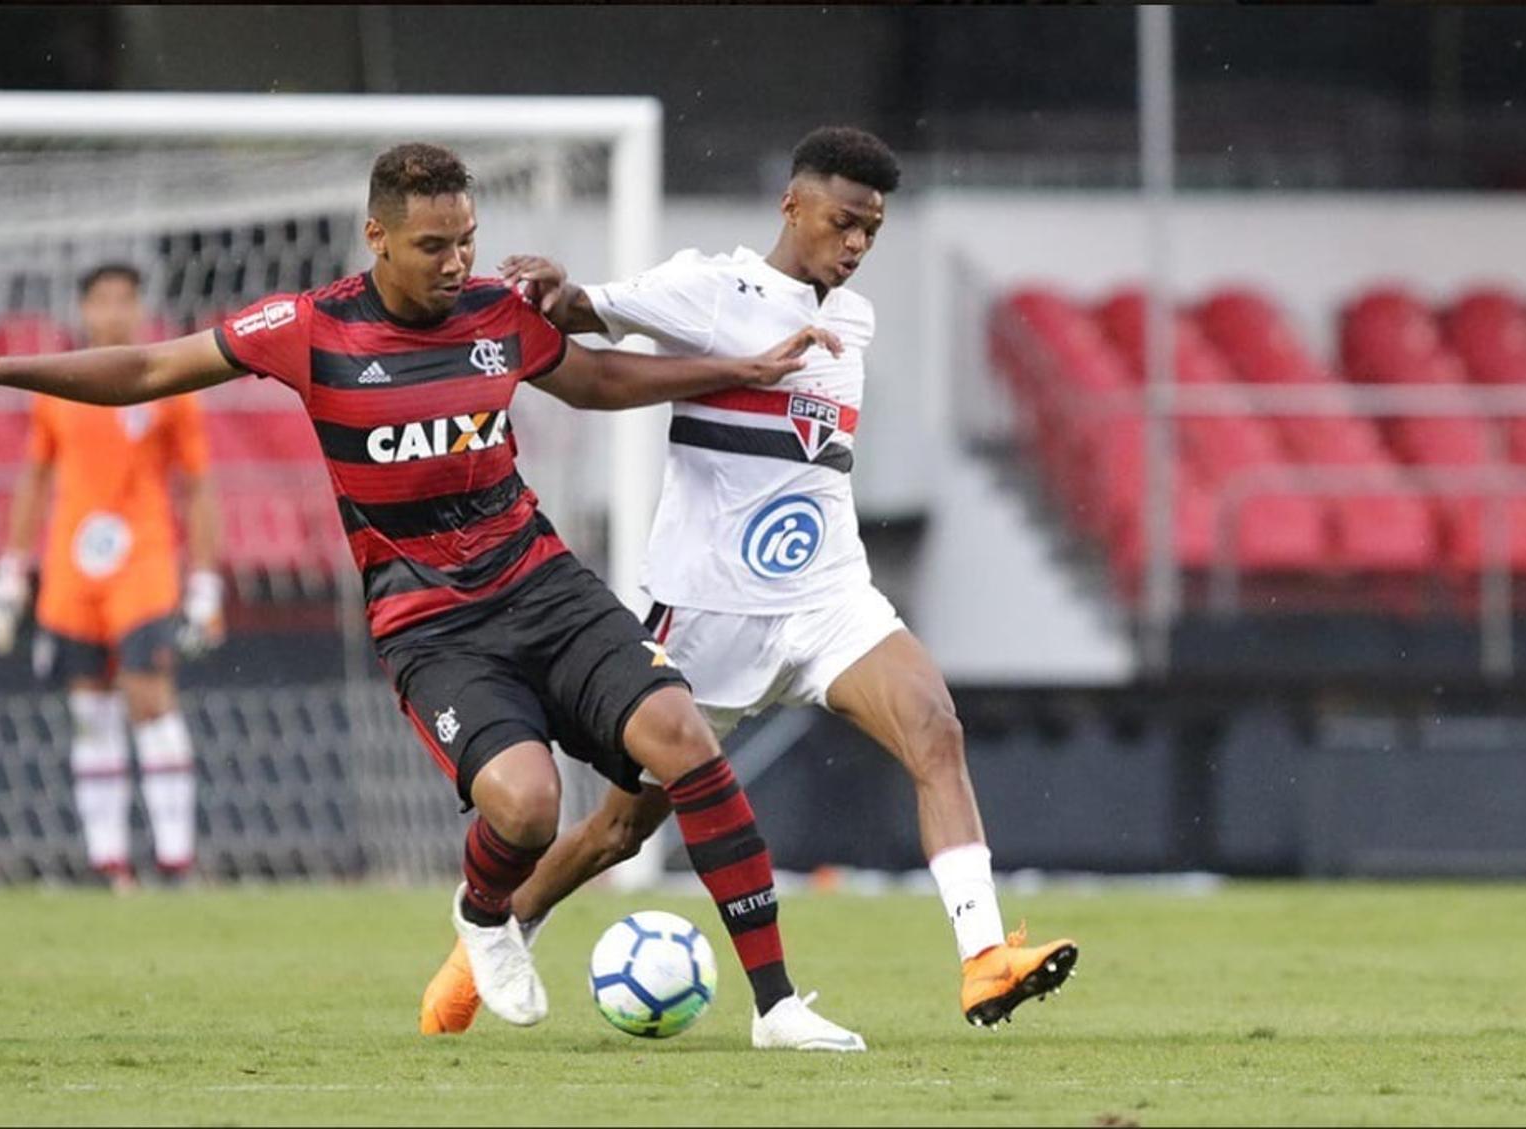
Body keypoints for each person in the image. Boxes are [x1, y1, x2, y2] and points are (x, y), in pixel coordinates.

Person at [0, 142, 866, 1051]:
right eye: (434, 246)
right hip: (431, 620)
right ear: (379, 238)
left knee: (684, 740)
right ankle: (484, 912)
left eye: (467, 241)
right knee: (526, 810)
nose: (456, 263)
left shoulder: (496, 312)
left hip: (544, 584)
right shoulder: (309, 328)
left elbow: (600, 375)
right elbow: (152, 367)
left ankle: (777, 1006)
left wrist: (738, 369)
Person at [420, 126, 1078, 1035]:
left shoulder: (855, 318)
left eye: (870, 233)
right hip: (707, 615)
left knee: (935, 725)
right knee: (621, 831)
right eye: (842, 222)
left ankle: (982, 958)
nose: (853, 246)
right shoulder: (712, 290)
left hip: (828, 600)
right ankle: (487, 937)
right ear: (792, 205)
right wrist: (554, 287)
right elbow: (582, 311)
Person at [0, 263, 223, 892]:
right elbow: (35, 480)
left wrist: (205, 582)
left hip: (143, 561)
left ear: (141, 308)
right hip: (70, 569)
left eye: (126, 300)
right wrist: (12, 570)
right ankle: (110, 864)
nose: (115, 312)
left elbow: (198, 487)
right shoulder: (58, 388)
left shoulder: (170, 383)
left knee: (148, 694)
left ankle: (176, 860)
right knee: (90, 709)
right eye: (102, 301)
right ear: (84, 310)